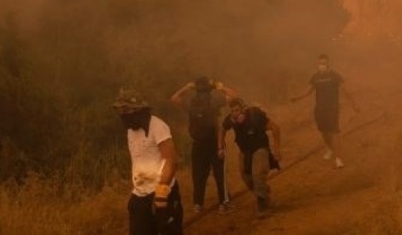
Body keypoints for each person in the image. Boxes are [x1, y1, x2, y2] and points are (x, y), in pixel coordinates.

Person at [113, 88, 184, 235]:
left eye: (127, 111)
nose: (123, 116)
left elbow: (171, 160)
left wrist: (162, 192)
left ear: (139, 110)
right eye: (121, 112)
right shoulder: (130, 130)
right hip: (140, 194)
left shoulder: (157, 126)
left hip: (162, 194)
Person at [170, 76, 238, 214]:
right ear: (209, 90)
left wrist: (187, 87)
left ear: (196, 90)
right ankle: (224, 203)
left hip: (198, 144)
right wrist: (219, 85)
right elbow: (234, 96)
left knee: (198, 176)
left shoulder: (191, 104)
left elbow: (174, 98)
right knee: (220, 174)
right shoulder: (213, 102)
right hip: (215, 142)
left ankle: (198, 204)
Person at [290, 54, 359, 169]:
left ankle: (338, 159)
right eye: (320, 63)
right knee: (323, 132)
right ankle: (330, 148)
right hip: (319, 109)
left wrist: (354, 104)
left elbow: (345, 91)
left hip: (332, 108)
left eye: (324, 63)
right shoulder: (315, 77)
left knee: (334, 132)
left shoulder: (335, 76)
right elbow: (308, 91)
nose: (322, 66)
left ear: (328, 64)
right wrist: (296, 98)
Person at [218, 98, 281, 215]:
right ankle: (264, 193)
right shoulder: (231, 120)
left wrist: (277, 150)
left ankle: (262, 206)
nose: (235, 114)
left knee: (257, 175)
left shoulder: (255, 115)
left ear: (244, 109)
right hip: (245, 151)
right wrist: (220, 148)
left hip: (260, 148)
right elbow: (222, 129)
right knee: (247, 178)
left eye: (237, 110)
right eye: (232, 111)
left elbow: (275, 128)